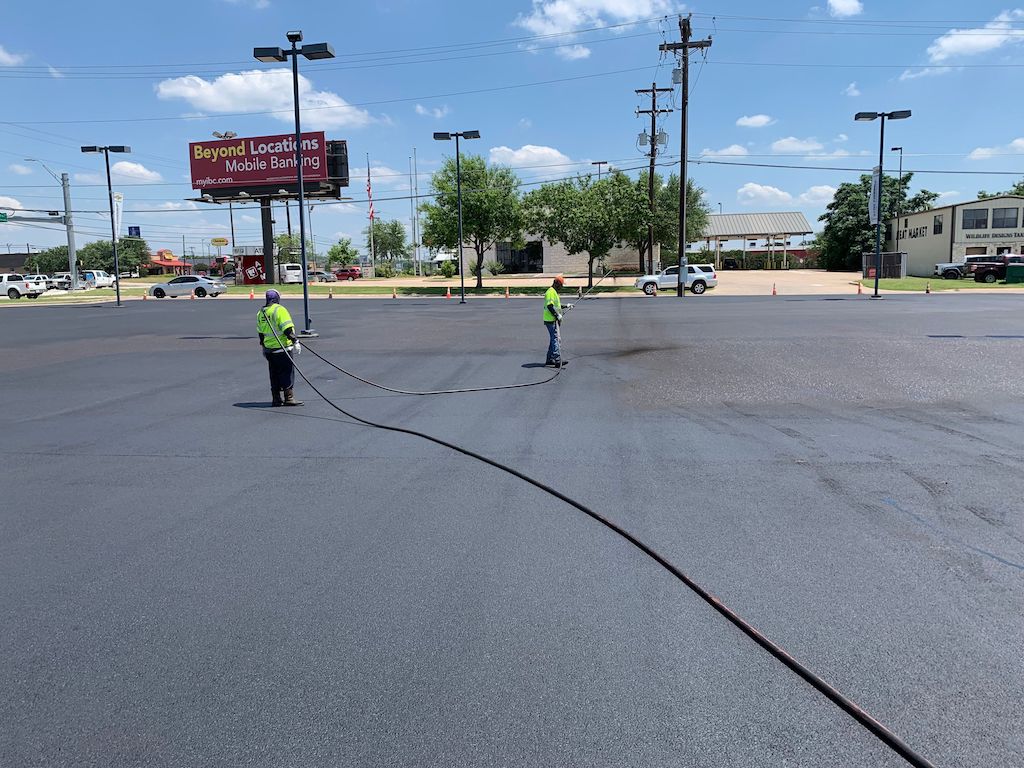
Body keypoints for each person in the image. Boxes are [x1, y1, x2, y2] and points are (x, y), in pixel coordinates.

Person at [256, 289, 303, 406]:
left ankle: (276, 398)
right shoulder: (279, 310)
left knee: (274, 374)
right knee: (287, 372)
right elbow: (287, 328)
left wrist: (263, 347)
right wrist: (295, 341)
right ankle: (289, 397)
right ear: (277, 298)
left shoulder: (261, 313)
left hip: (269, 350)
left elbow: (261, 333)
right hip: (282, 348)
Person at [543, 275, 573, 367]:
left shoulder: (553, 292)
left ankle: (549, 359)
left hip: (552, 319)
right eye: (561, 285)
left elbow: (557, 306)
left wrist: (566, 306)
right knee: (555, 339)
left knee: (553, 339)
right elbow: (550, 306)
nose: (561, 287)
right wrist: (557, 315)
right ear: (556, 284)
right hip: (550, 320)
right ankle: (557, 359)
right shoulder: (551, 292)